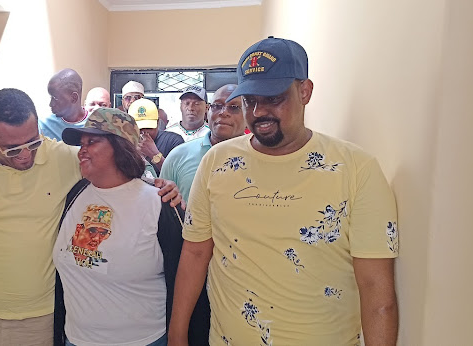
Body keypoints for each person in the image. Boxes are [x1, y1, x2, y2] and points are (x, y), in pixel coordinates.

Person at [169, 37, 399, 345]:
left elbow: (376, 289)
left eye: (273, 98)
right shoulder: (217, 163)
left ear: (304, 91)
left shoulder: (356, 169)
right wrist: (176, 334)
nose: (259, 111)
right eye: (250, 100)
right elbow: (196, 252)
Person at [0, 88, 181, 345]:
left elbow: (117, 177)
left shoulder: (68, 160)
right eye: (12, 149)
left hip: (42, 319)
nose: (25, 155)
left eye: (33, 142)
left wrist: (157, 185)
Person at [53, 107, 209, 346]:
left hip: (143, 340)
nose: (81, 151)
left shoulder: (161, 203)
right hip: (75, 339)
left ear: (120, 147)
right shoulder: (75, 194)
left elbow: (186, 278)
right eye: (81, 144)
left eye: (92, 142)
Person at [160, 84, 246, 202]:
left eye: (234, 107)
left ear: (249, 113)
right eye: (217, 106)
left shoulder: (262, 157)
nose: (223, 112)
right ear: (209, 110)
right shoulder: (177, 156)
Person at [129, 98, 185, 175]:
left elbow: (178, 176)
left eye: (149, 128)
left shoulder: (173, 141)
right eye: (139, 129)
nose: (143, 133)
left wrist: (154, 154)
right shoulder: (123, 143)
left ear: (158, 122)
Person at [40, 68, 88, 141]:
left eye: (55, 98)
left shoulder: (95, 125)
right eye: (51, 97)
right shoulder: (43, 125)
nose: (51, 104)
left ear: (74, 98)